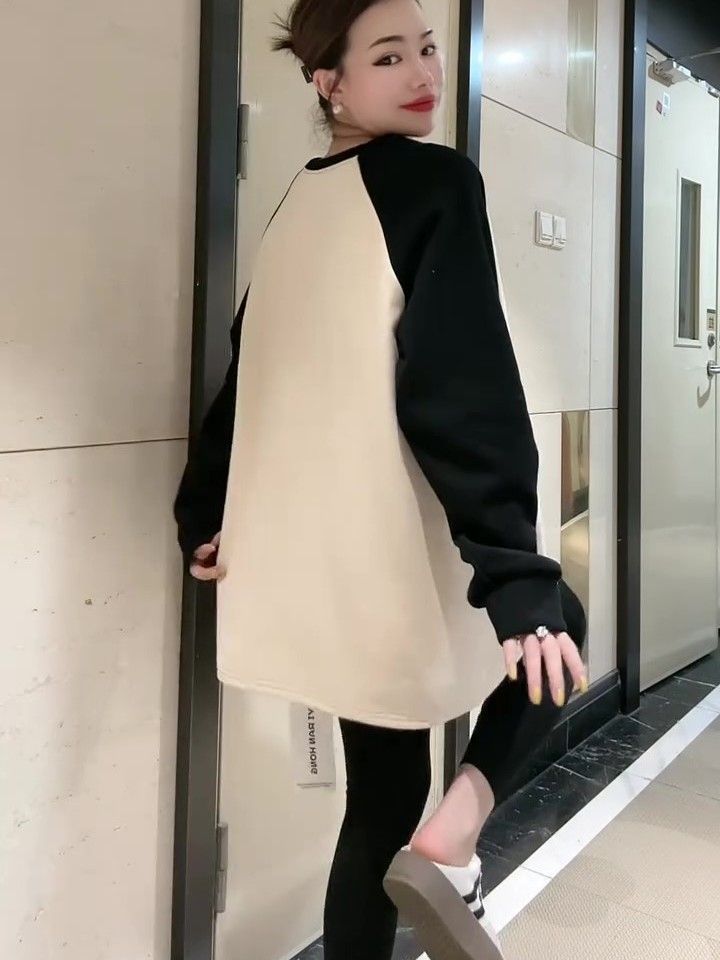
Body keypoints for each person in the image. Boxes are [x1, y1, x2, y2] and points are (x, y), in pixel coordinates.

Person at [174, 0, 587, 957]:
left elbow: (247, 375)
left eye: (428, 49)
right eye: (389, 56)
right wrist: (513, 574)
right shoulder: (434, 182)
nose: (423, 73)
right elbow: (462, 386)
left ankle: (420, 862)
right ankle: (455, 835)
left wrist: (204, 513)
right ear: (331, 82)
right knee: (562, 624)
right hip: (394, 557)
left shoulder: (299, 201)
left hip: (310, 570)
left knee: (378, 799)